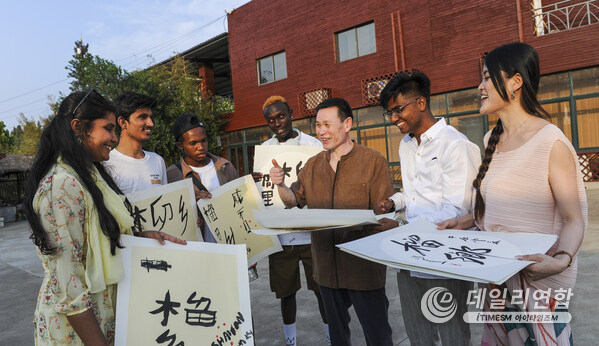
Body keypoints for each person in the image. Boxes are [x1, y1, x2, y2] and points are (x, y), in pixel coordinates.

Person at [438, 42, 587, 345]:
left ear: (515, 82)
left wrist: (561, 259)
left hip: (536, 279)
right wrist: (465, 221)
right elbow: (497, 207)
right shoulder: (492, 137)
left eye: (486, 77)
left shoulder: (550, 142)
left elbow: (574, 218)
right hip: (497, 277)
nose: (479, 86)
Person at [24, 90, 185, 346]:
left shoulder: (90, 176)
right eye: (108, 129)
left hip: (102, 320)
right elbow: (68, 284)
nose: (113, 137)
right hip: (76, 333)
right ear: (79, 128)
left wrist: (139, 239)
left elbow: (95, 239)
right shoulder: (62, 187)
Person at [270, 97, 397, 346]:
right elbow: (292, 200)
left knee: (378, 336)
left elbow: (385, 216)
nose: (321, 132)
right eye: (318, 125)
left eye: (327, 124)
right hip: (326, 271)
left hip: (363, 270)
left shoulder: (373, 161)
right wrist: (281, 184)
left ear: (347, 123)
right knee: (338, 338)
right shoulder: (313, 164)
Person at [373, 70, 481, 346]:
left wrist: (399, 227)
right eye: (390, 113)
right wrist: (394, 202)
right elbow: (415, 195)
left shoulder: (454, 144)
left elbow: (456, 210)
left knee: (452, 335)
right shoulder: (406, 145)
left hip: (445, 260)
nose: (394, 119)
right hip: (409, 257)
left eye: (398, 110)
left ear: (421, 103)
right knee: (418, 334)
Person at [258, 96, 329, 346]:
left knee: (323, 291)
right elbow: (262, 192)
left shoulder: (313, 145)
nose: (277, 123)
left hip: (312, 233)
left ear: (291, 113)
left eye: (281, 116)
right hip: (282, 235)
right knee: (286, 294)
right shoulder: (265, 150)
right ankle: (291, 341)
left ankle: (332, 337)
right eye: (271, 120)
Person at [166, 112, 238, 243]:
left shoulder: (225, 167)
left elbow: (240, 208)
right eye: (193, 143)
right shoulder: (172, 175)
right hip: (196, 250)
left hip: (229, 246)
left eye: (203, 141)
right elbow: (169, 218)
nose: (201, 147)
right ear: (180, 145)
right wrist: (191, 202)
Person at [104, 92, 167, 194]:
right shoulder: (107, 164)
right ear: (122, 122)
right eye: (143, 117)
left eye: (151, 117)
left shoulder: (157, 161)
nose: (151, 123)